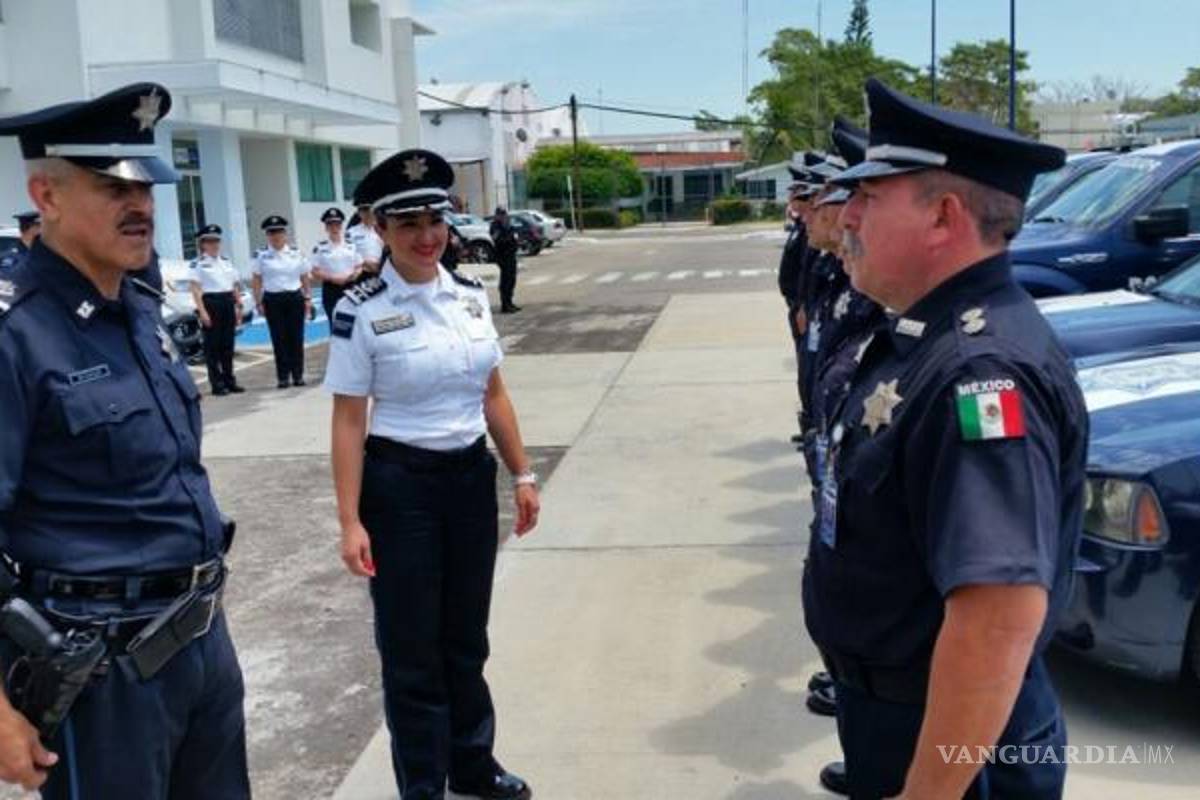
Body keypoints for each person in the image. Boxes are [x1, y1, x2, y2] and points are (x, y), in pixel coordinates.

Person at [802, 78, 1086, 799]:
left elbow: (996, 613)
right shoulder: (923, 337)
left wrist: (931, 789)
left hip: (950, 739)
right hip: (900, 711)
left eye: (870, 198)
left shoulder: (979, 373)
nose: (847, 217)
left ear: (944, 217)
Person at [0, 82, 248, 798]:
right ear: (45, 195)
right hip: (99, 670)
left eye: (145, 187)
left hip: (201, 638)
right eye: (111, 187)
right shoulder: (17, 333)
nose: (140, 205)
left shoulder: (138, 310)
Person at [325, 148, 540, 800]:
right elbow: (346, 420)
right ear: (381, 230)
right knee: (412, 650)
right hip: (401, 491)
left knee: (465, 639)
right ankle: (423, 784)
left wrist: (523, 475)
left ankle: (472, 765)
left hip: (470, 483)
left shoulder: (471, 298)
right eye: (408, 224)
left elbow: (492, 394)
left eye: (435, 221)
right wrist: (350, 519)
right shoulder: (359, 309)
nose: (426, 237)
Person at [251, 215, 311, 388]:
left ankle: (298, 375)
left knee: (296, 338)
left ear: (285, 234)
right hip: (272, 299)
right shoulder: (261, 255)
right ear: (267, 235)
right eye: (271, 233)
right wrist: (258, 302)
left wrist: (307, 298)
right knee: (279, 339)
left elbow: (304, 276)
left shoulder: (296, 252)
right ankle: (283, 377)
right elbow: (256, 280)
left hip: (294, 298)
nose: (275, 236)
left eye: (278, 232)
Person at [188, 223, 245, 396]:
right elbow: (195, 289)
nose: (214, 245)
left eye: (216, 241)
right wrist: (203, 311)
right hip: (210, 303)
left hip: (227, 302)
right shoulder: (197, 263)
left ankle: (230, 380)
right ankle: (217, 384)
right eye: (210, 241)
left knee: (228, 345)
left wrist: (239, 305)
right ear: (203, 244)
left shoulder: (226, 262)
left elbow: (234, 285)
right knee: (213, 347)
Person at [309, 206, 363, 330]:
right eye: (330, 225)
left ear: (341, 225)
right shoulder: (320, 247)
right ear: (326, 227)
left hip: (350, 287)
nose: (334, 228)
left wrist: (354, 275)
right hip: (331, 289)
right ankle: (339, 349)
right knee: (336, 325)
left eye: (337, 224)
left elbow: (359, 266)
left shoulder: (351, 244)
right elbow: (315, 271)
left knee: (354, 323)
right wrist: (332, 278)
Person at [488, 207, 521, 313]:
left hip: (511, 255)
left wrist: (514, 240)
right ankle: (505, 305)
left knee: (512, 279)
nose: (503, 216)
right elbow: (497, 239)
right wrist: (508, 239)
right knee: (505, 280)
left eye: (504, 214)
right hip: (503, 256)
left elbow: (515, 235)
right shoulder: (495, 226)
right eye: (501, 214)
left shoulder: (508, 224)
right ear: (497, 215)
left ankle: (510, 302)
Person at [346, 199, 384, 279]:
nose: (368, 214)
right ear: (359, 213)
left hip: (382, 270)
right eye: (364, 211)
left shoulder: (383, 229)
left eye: (370, 210)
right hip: (362, 272)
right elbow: (348, 253)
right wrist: (366, 263)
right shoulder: (351, 232)